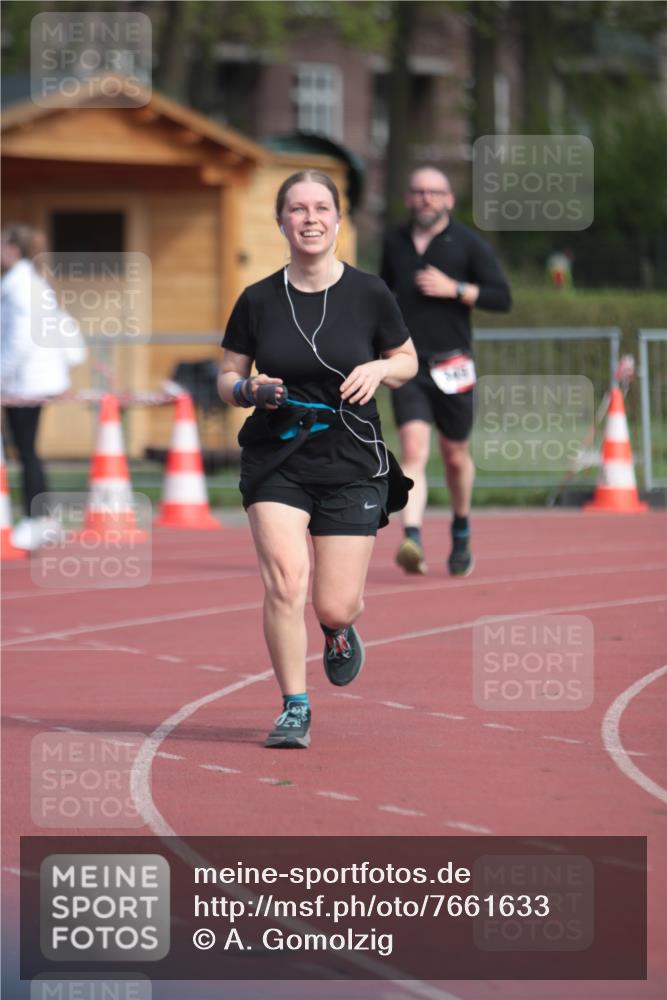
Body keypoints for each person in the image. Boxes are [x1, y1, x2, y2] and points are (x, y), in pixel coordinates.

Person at [219, 170, 417, 749]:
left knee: (335, 601)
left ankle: (337, 629)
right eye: (298, 208)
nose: (310, 218)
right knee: (285, 582)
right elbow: (226, 375)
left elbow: (406, 359)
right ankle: (293, 706)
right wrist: (245, 391)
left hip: (352, 455)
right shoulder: (257, 299)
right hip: (277, 454)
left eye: (322, 208)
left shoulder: (370, 293)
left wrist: (381, 368)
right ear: (281, 220)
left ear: (338, 219)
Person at [381, 166, 511, 577]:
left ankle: (460, 529)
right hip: (407, 364)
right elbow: (381, 295)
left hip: (454, 364)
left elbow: (501, 298)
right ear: (408, 198)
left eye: (434, 192)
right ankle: (413, 539)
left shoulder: (468, 244)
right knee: (414, 452)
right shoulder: (394, 242)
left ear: (449, 199)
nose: (426, 198)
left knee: (455, 456)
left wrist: (454, 288)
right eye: (418, 191)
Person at [1, 225, 86, 550]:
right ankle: (42, 519)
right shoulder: (32, 283)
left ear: (13, 250)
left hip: (26, 382)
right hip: (32, 379)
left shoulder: (21, 286)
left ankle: (37, 520)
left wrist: (1, 375)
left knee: (25, 452)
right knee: (27, 451)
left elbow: (19, 339)